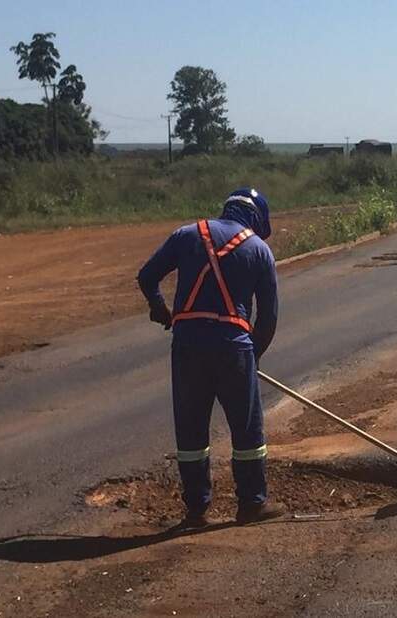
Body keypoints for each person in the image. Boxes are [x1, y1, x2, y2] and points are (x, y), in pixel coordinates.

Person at [137, 187, 283, 527]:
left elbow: (147, 277)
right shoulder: (260, 250)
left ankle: (196, 509)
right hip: (234, 346)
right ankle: (252, 504)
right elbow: (268, 319)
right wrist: (252, 357)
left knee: (190, 431)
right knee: (246, 431)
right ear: (257, 219)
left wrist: (161, 309)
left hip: (187, 346)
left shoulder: (187, 234)